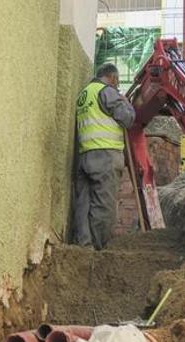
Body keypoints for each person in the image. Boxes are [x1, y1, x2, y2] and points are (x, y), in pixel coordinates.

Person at [73, 63, 135, 250]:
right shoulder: (106, 91)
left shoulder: (83, 95)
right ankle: (98, 249)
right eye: (116, 83)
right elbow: (128, 119)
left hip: (85, 155)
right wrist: (126, 102)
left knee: (83, 204)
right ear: (114, 78)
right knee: (104, 204)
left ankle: (84, 246)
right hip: (106, 156)